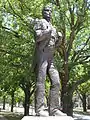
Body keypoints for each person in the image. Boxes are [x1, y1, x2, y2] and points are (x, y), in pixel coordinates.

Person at [33, 5, 66, 116]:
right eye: (46, 10)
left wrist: (60, 39)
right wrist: (48, 31)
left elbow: (55, 45)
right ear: (43, 12)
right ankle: (39, 110)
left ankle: (54, 109)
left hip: (51, 57)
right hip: (42, 55)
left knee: (56, 82)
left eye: (50, 11)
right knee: (40, 82)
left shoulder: (53, 27)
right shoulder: (40, 22)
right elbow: (37, 37)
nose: (49, 12)